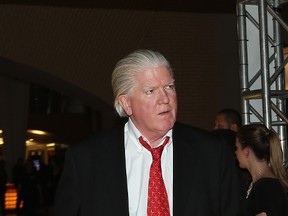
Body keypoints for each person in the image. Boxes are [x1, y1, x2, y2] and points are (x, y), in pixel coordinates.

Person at [54, 49, 240, 215]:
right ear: (126, 103)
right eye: (151, 91)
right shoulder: (86, 159)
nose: (165, 99)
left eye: (169, 87)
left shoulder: (212, 153)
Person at [235, 123, 288, 216]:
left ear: (247, 151)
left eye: (237, 148)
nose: (235, 152)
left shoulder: (265, 186)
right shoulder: (262, 183)